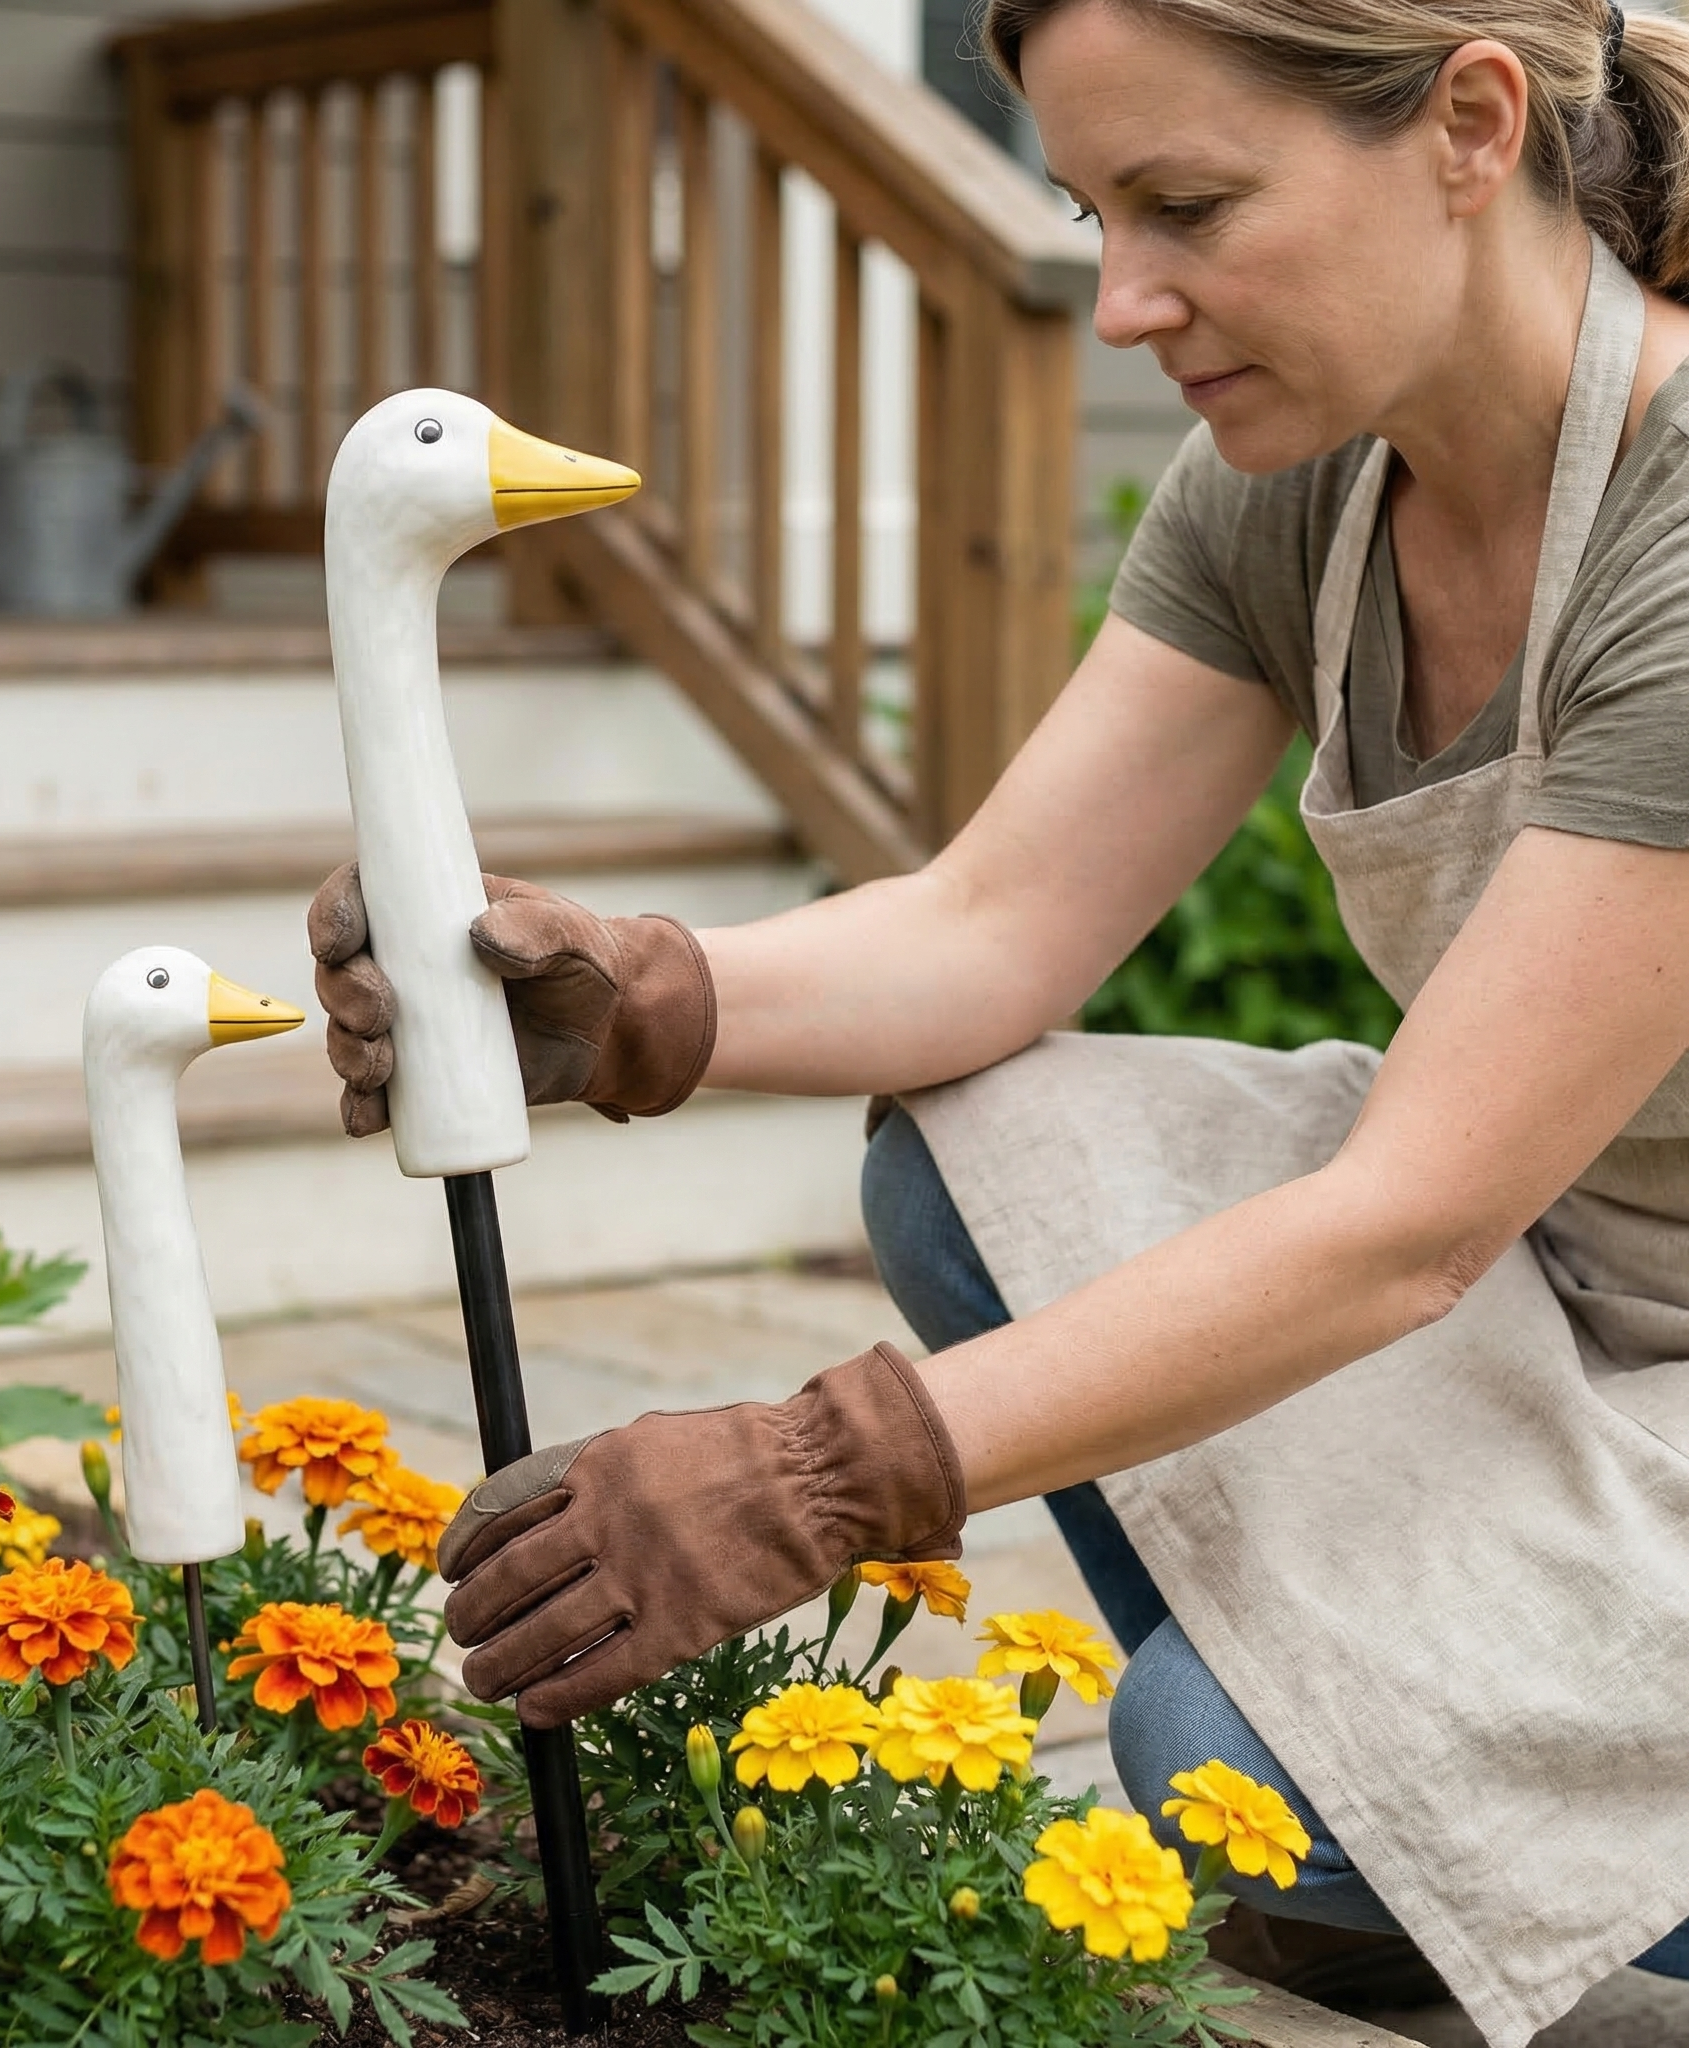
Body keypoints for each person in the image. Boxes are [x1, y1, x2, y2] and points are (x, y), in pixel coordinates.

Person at [308, 3, 1689, 2040]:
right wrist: (626, 998)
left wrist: (817, 1470)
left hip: (1521, 1267)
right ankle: (1425, 1787)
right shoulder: (1297, 489)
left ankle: (1437, 1805)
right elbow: (987, 927)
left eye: (1186, 206)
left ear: (1470, 125)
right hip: (1586, 1285)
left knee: (1221, 1754)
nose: (1123, 299)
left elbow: (1409, 1224)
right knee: (971, 1144)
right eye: (1086, 211)